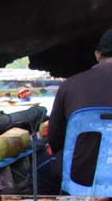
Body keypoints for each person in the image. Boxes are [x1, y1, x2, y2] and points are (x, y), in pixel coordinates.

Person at [43, 29, 112, 190]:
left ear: (97, 54)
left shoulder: (69, 85)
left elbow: (55, 141)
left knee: (40, 171)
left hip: (82, 181)